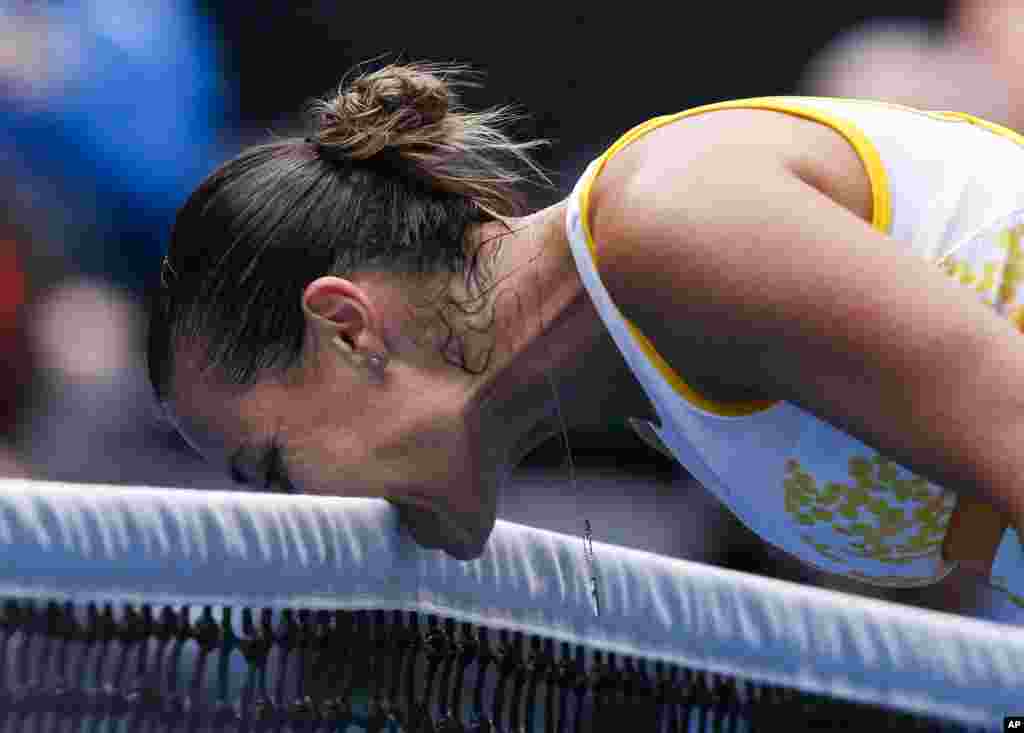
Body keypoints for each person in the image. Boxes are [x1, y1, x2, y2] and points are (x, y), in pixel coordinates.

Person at [150, 62, 1024, 605]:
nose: (302, 519)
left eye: (273, 470)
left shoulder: (674, 227)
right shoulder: (650, 376)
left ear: (347, 330)